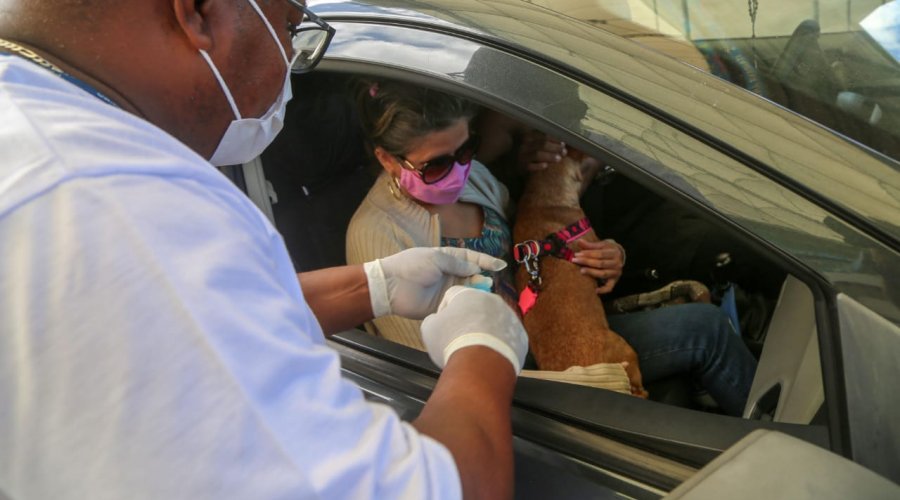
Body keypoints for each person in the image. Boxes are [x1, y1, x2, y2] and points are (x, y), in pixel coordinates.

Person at [0, 2, 530, 499]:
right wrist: (486, 346)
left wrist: (373, 286)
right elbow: (440, 488)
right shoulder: (113, 203)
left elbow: (208, 312)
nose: (292, 56)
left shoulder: (41, 135)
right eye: (289, 24)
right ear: (199, 11)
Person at [346, 78, 758, 416]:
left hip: (545, 327)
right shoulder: (377, 235)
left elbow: (536, 248)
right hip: (506, 378)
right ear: (387, 159)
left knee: (706, 328)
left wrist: (604, 254)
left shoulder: (478, 182)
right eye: (437, 165)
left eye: (466, 150)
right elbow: (427, 376)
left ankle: (778, 440)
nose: (458, 171)